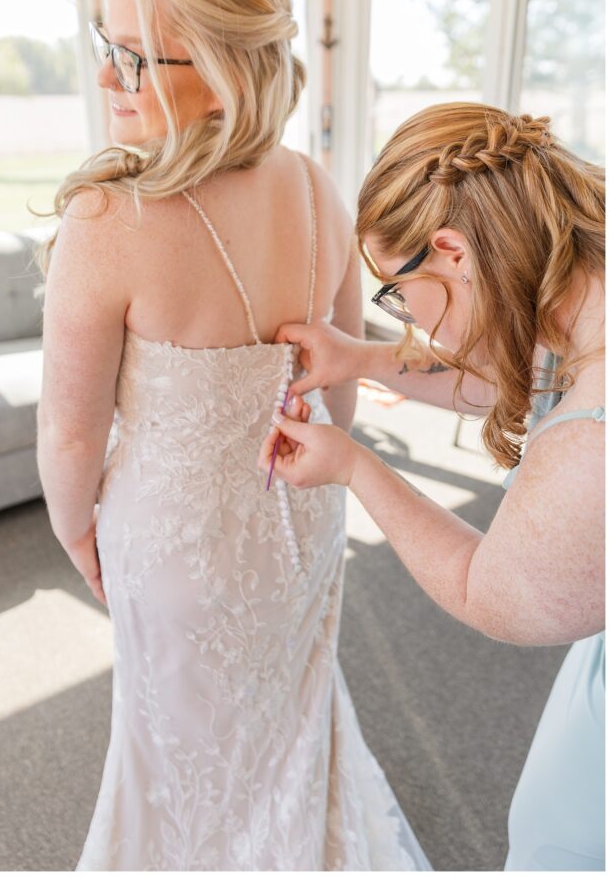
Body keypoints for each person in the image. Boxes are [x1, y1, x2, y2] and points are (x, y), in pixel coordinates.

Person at [35, 0, 430, 870]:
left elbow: (69, 427)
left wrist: (73, 531)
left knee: (181, 769)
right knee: (290, 737)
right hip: (301, 525)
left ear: (219, 72)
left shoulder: (107, 219)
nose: (105, 80)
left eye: (130, 58)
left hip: (174, 549)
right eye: (106, 47)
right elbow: (338, 392)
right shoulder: (316, 189)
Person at [259, 102, 605, 871]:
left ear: (450, 251)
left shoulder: (592, 436)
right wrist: (360, 357)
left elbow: (499, 595)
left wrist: (355, 466)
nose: (401, 314)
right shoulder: (581, 285)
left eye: (394, 291)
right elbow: (509, 375)